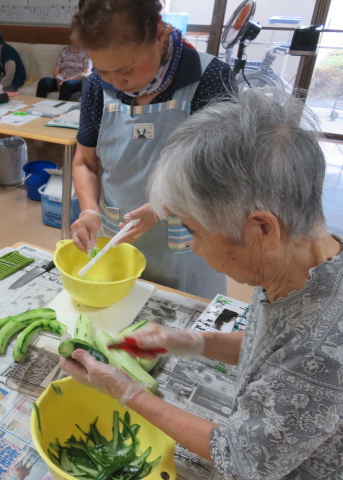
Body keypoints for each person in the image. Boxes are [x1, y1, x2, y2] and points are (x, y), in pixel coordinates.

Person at [61, 88, 343, 479]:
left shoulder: (323, 354)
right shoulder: (306, 260)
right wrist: (195, 341)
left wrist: (128, 392)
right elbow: (274, 348)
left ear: (262, 229)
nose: (193, 247)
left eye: (194, 230)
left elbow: (241, 460)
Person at [69, 0, 235, 300]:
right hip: (117, 238)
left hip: (186, 242)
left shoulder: (209, 78)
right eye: (103, 70)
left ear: (159, 33)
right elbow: (85, 162)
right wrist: (89, 209)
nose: (116, 83)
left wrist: (159, 207)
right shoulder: (97, 85)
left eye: (126, 70)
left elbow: (222, 177)